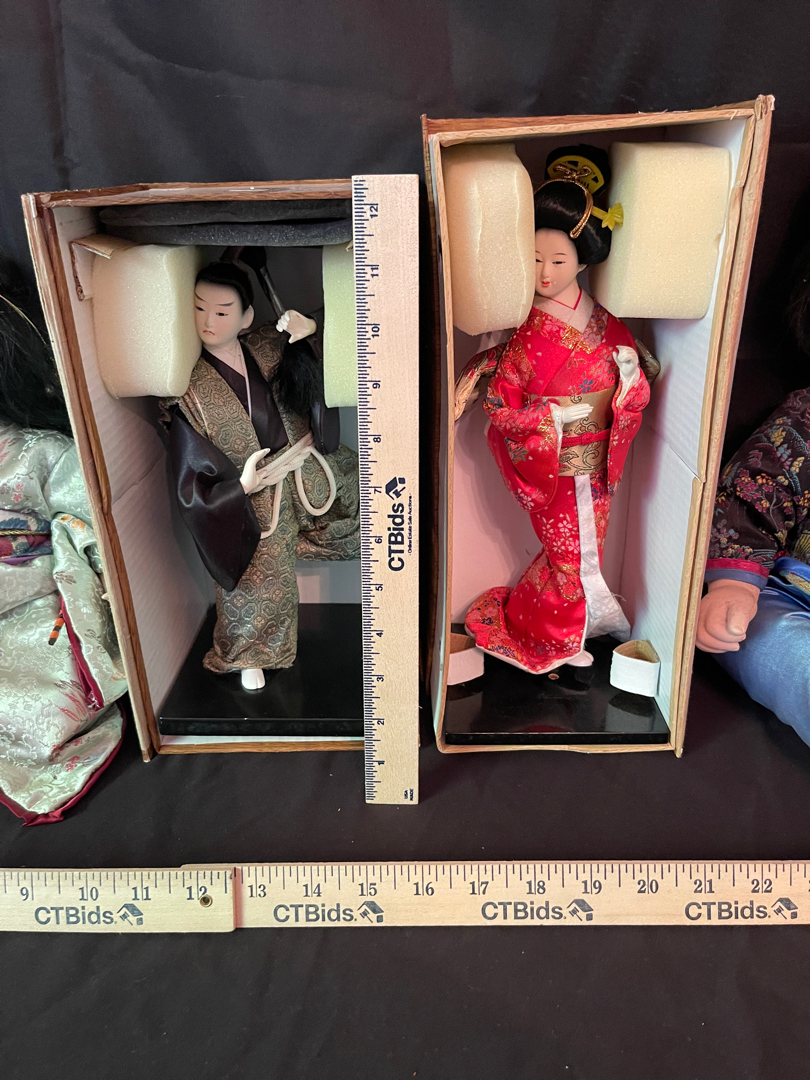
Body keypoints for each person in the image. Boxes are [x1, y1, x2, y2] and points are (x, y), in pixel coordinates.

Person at [459, 146, 650, 675]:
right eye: (536, 258)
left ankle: (543, 621)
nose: (544, 272)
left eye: (559, 261)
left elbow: (635, 391)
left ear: (583, 262)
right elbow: (499, 403)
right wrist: (549, 422)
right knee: (570, 554)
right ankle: (554, 640)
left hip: (599, 459)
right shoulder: (523, 335)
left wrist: (629, 382)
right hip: (553, 462)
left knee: (584, 551)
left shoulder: (608, 324)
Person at [160, 261, 360, 691]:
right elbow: (189, 473)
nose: (209, 321)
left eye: (222, 311)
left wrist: (309, 333)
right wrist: (239, 487)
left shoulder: (269, 343)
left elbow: (327, 356)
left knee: (375, 506)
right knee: (255, 573)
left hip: (308, 468)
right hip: (255, 492)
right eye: (199, 308)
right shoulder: (188, 388)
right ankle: (250, 654)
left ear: (246, 317)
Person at [0, 258, 126, 823]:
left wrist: (82, 555)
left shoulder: (38, 451)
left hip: (34, 607)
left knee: (42, 698)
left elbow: (84, 519)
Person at [697, 243, 810, 741]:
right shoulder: (806, 419)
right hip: (791, 593)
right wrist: (733, 584)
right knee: (773, 644)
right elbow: (756, 488)